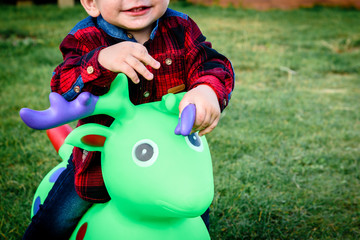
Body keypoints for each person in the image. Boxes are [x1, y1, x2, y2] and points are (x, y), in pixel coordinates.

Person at [23, 0, 235, 238]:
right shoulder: (85, 38)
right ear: (92, 3)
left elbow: (212, 63)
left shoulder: (182, 28)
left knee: (190, 210)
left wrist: (207, 88)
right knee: (56, 221)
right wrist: (100, 61)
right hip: (97, 162)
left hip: (173, 160)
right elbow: (63, 85)